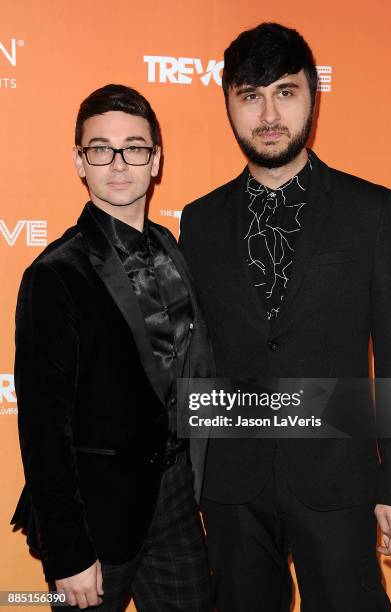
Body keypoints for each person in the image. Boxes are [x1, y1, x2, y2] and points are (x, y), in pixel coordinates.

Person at [179, 23, 391, 612]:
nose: (268, 113)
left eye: (285, 92)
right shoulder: (200, 220)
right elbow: (194, 359)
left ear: (313, 96)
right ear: (229, 105)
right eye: (250, 95)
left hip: (338, 477)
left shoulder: (374, 210)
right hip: (233, 484)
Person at [11, 84, 213, 611]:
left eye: (135, 148)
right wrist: (68, 552)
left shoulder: (173, 249)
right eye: (101, 149)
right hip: (94, 515)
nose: (118, 164)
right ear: (81, 162)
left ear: (157, 159)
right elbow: (41, 429)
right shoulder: (55, 276)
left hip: (174, 498)